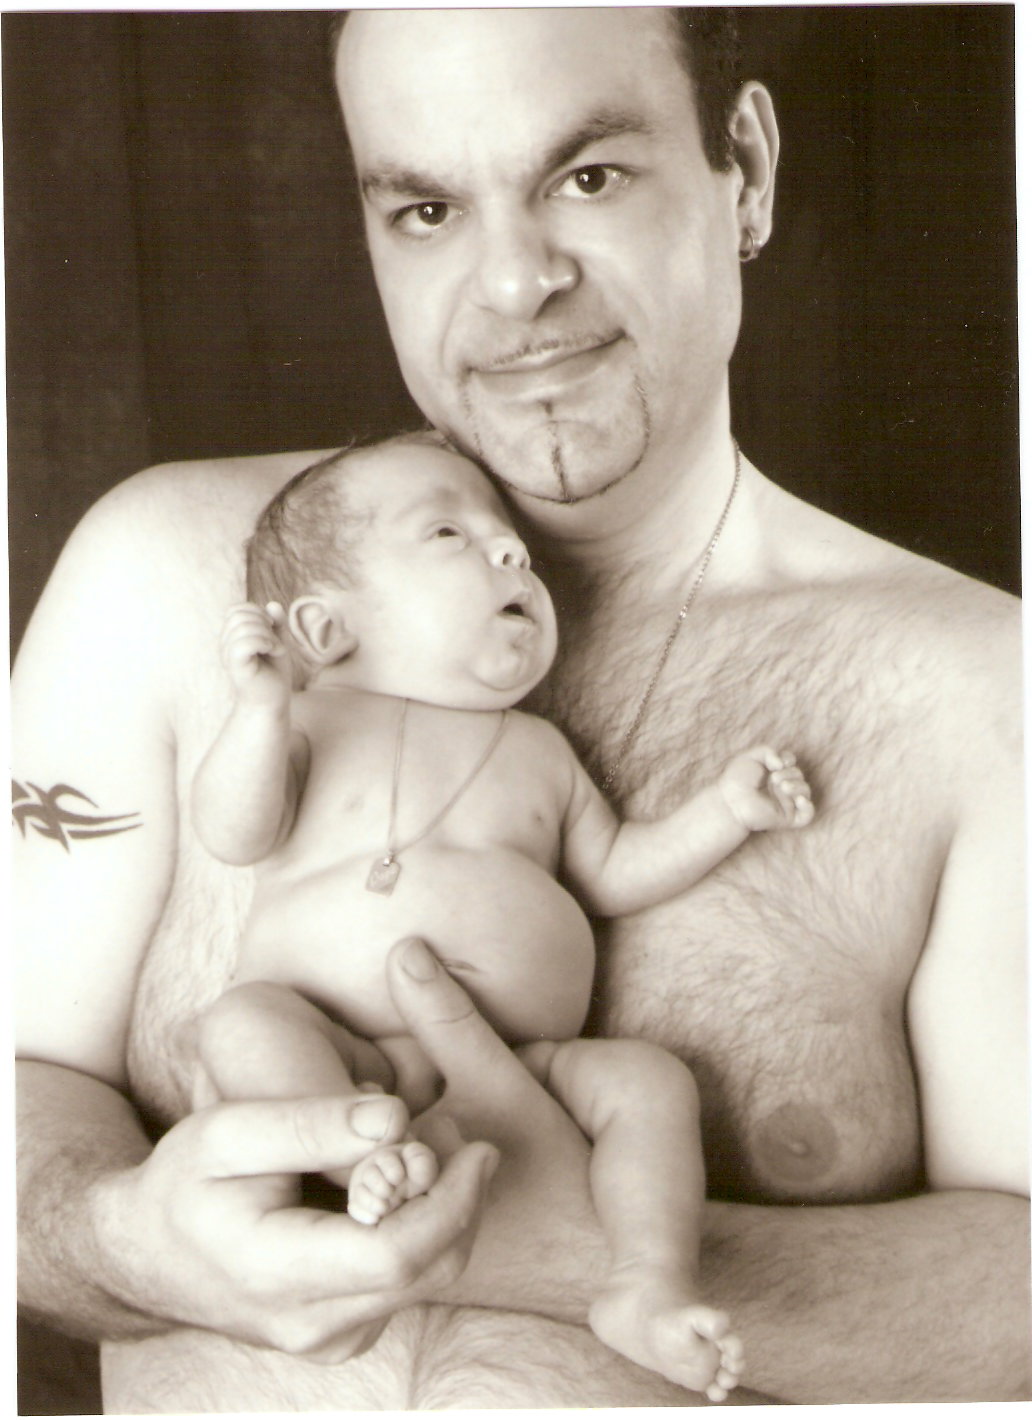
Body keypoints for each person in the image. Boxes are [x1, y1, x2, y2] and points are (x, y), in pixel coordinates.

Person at [14, 7, 1027, 1411]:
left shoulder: (982, 692)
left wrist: (576, 1254)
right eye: (427, 209)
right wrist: (124, 1236)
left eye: (587, 177)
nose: (512, 283)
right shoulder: (164, 575)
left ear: (744, 170)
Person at [189, 431, 812, 1396]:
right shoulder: (312, 724)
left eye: (512, 538)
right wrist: (260, 712)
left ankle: (645, 1281)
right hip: (334, 1044)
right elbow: (235, 832)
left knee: (649, 1083)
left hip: (531, 1069)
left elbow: (613, 872)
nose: (513, 550)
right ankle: (352, 1173)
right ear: (323, 628)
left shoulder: (541, 752)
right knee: (241, 1024)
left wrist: (725, 813)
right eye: (449, 533)